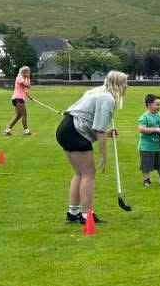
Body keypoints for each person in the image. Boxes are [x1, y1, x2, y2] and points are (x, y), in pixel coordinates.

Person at [55, 70, 128, 225]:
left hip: (66, 128)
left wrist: (107, 133)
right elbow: (99, 129)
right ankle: (86, 215)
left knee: (80, 173)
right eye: (125, 83)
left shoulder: (97, 92)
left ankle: (73, 212)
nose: (127, 86)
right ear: (118, 84)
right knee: (89, 173)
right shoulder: (107, 98)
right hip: (74, 131)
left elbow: (95, 125)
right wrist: (103, 155)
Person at [138, 93, 160, 186]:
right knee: (146, 165)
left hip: (159, 146)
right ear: (149, 104)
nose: (159, 107)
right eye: (157, 104)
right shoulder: (144, 117)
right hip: (147, 147)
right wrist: (155, 129)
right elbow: (141, 129)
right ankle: (146, 180)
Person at [5, 65, 34, 136]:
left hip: (19, 99)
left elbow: (26, 90)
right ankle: (26, 130)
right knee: (24, 114)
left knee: (18, 115)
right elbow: (27, 85)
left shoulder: (25, 79)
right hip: (18, 98)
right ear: (24, 72)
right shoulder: (19, 78)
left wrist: (29, 97)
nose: (29, 73)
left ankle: (7, 130)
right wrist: (28, 78)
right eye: (28, 72)